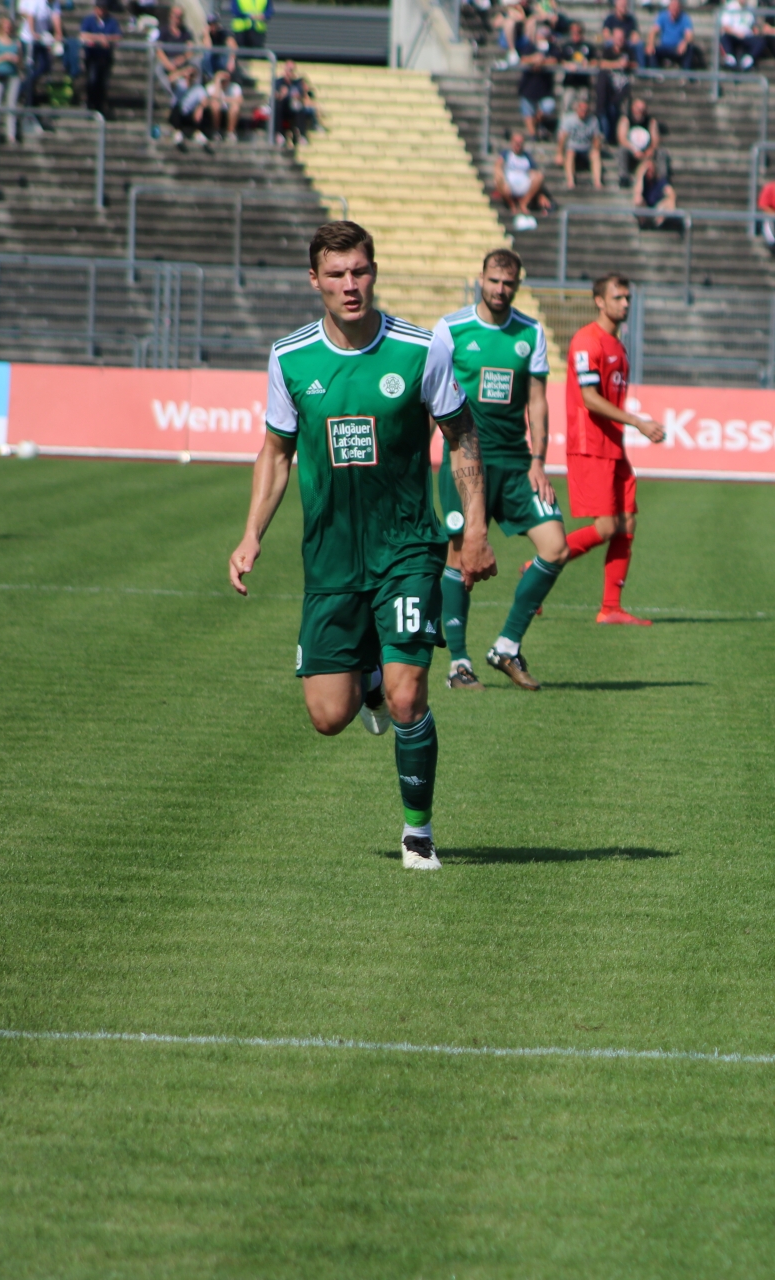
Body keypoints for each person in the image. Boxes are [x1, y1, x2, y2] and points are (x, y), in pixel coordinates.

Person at [227, 221, 491, 871]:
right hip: (331, 557)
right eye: (338, 274)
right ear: (314, 280)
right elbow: (276, 452)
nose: (352, 285)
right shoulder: (290, 358)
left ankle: (418, 834)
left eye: (362, 271)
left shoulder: (420, 349)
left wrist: (475, 526)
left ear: (376, 271)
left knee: (409, 697)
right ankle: (366, 674)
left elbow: (461, 435)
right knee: (327, 716)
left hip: (406, 546)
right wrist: (250, 534)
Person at [428, 251, 562, 693]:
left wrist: (539, 459)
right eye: (493, 280)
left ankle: (506, 645)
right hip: (466, 461)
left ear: (517, 284)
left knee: (555, 545)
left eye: (508, 283)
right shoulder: (451, 329)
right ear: (480, 279)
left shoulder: (531, 332)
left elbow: (538, 400)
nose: (500, 290)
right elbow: (431, 396)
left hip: (518, 461)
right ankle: (458, 664)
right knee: (461, 557)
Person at [558, 274, 665, 625]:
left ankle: (611, 608)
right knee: (605, 527)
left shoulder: (617, 344)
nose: (626, 304)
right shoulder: (587, 341)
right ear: (599, 301)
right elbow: (589, 398)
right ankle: (540, 564)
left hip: (613, 446)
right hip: (590, 445)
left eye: (628, 298)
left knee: (628, 522)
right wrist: (637, 421)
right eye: (618, 297)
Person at [493, 133, 547, 230]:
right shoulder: (506, 154)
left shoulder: (527, 157)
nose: (518, 145)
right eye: (516, 143)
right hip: (509, 184)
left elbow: (535, 172)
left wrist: (541, 194)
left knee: (539, 176)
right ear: (511, 143)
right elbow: (498, 166)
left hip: (524, 184)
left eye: (520, 143)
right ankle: (512, 206)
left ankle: (523, 204)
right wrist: (503, 179)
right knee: (497, 179)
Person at [78, 0, 117, 116]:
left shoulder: (111, 21)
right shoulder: (89, 20)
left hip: (105, 57)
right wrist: (99, 38)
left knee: (102, 82)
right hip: (92, 56)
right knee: (92, 80)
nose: (100, 11)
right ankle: (90, 104)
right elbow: (83, 35)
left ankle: (100, 105)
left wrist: (107, 39)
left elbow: (118, 36)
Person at [556, 96, 604, 190]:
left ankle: (597, 181)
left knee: (596, 154)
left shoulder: (593, 120)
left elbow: (596, 138)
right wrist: (559, 154)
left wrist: (597, 147)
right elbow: (562, 138)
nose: (583, 112)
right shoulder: (569, 120)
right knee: (570, 153)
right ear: (577, 109)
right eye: (581, 110)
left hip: (586, 148)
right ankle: (570, 181)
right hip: (572, 147)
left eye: (585, 110)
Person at [0, 18, 21, 143]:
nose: (8, 28)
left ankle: (11, 134)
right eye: (5, 25)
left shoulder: (16, 42)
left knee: (11, 105)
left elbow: (20, 62)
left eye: (9, 26)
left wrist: (17, 61)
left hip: (12, 75)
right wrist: (2, 57)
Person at [631, 151, 676, 226]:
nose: (650, 172)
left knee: (669, 201)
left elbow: (670, 192)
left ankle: (660, 223)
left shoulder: (660, 181)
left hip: (657, 209)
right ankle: (643, 223)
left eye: (651, 169)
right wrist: (641, 175)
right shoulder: (642, 182)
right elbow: (637, 195)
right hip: (646, 208)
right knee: (638, 200)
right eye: (648, 170)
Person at [648, 0, 695, 69]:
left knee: (689, 48)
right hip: (664, 47)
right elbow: (653, 31)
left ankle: (686, 75)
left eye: (676, 8)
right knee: (652, 50)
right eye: (673, 7)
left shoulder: (685, 18)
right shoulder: (662, 16)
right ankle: (654, 74)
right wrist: (650, 43)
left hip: (677, 49)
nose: (674, 10)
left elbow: (689, 35)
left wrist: (684, 42)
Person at [718, 0, 763, 71]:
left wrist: (756, 31)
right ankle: (730, 60)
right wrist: (736, 33)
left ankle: (748, 60)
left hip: (746, 35)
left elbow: (753, 25)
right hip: (732, 34)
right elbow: (725, 26)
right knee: (724, 37)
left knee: (760, 41)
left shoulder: (749, 8)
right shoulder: (729, 7)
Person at [619, 96, 658, 175]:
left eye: (642, 109)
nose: (640, 111)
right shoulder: (626, 120)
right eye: (638, 109)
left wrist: (650, 150)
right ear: (632, 108)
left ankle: (662, 179)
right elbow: (622, 139)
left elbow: (655, 140)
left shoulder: (650, 121)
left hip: (646, 151)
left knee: (661, 152)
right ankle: (623, 176)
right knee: (622, 150)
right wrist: (634, 150)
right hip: (631, 151)